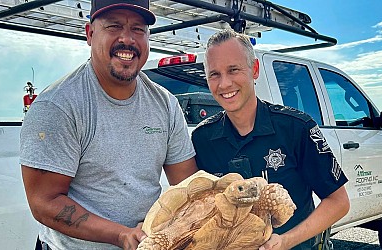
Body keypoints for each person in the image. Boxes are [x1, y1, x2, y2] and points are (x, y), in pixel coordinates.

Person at [20, 0, 198, 249]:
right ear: (90, 34)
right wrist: (121, 234)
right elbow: (44, 202)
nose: (127, 39)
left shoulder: (165, 104)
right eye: (114, 26)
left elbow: (189, 187)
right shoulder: (59, 105)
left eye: (138, 29)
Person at [191, 29, 350, 250]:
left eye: (233, 70)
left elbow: (339, 202)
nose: (224, 83)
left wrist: (285, 241)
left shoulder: (296, 128)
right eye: (214, 74)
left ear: (254, 69)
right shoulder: (202, 139)